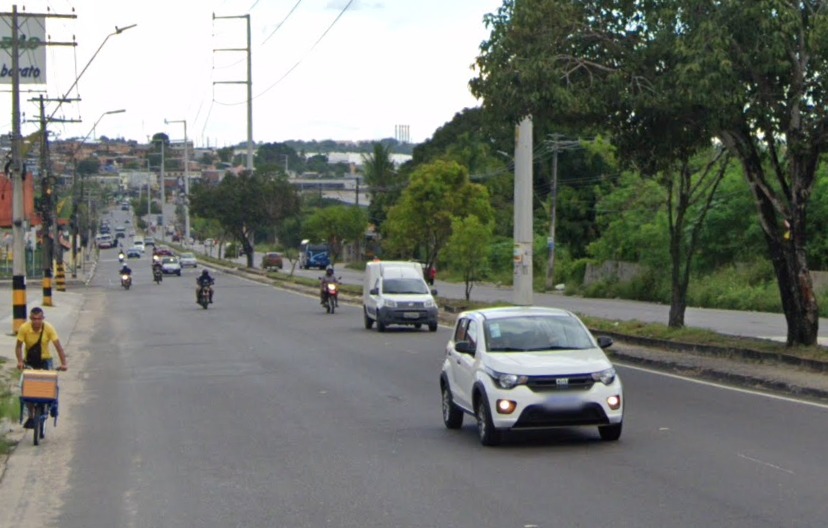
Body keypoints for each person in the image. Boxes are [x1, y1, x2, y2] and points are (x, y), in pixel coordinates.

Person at [15, 307, 68, 429]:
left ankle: (54, 407)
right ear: (30, 319)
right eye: (34, 319)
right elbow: (18, 347)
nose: (36, 322)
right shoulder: (24, 328)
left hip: (45, 361)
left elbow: (58, 347)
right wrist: (20, 361)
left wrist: (64, 363)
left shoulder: (48, 328)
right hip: (30, 361)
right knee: (26, 389)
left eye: (39, 319)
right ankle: (31, 416)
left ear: (43, 319)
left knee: (51, 385)